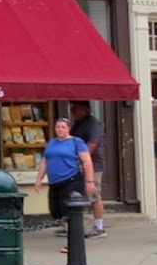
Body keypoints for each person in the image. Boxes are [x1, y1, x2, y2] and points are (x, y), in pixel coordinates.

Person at [34, 116, 97, 232]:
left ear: (68, 129)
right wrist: (39, 179)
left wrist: (89, 181)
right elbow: (44, 162)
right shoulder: (51, 143)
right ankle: (70, 230)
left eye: (63, 127)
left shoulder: (76, 142)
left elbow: (87, 162)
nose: (60, 129)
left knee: (67, 210)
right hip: (54, 182)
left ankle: (74, 235)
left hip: (71, 180)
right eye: (58, 127)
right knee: (55, 210)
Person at [69, 100, 107, 238]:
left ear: (84, 109)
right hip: (77, 163)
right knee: (75, 194)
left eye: (75, 107)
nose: (72, 110)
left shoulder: (92, 124)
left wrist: (81, 158)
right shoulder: (78, 123)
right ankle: (73, 225)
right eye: (72, 107)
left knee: (94, 194)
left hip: (92, 164)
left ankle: (99, 227)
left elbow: (92, 144)